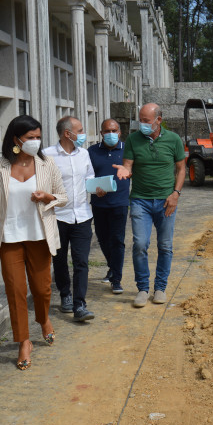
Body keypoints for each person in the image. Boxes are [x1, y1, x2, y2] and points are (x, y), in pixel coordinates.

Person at [0, 115, 68, 370]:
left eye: (38, 137)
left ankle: (43, 320)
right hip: (9, 239)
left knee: (41, 289)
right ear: (16, 139)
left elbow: (62, 197)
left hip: (39, 237)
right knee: (16, 291)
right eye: (30, 138)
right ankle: (24, 341)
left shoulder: (46, 163)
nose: (35, 142)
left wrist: (46, 196)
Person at [113, 103, 186, 308]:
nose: (142, 125)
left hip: (166, 201)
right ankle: (143, 289)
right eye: (140, 120)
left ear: (158, 120)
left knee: (165, 246)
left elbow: (181, 169)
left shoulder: (173, 140)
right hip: (140, 201)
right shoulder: (133, 140)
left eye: (146, 121)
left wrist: (176, 194)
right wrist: (124, 171)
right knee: (140, 244)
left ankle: (160, 288)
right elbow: (128, 165)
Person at [43, 116, 96, 322]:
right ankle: (65, 294)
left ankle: (80, 304)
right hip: (58, 216)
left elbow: (89, 177)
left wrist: (97, 187)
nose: (82, 134)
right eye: (80, 130)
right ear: (68, 133)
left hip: (82, 215)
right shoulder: (47, 155)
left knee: (81, 261)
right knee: (60, 259)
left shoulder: (83, 154)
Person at [88, 119, 130, 294]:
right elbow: (87, 175)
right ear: (101, 133)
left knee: (117, 240)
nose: (111, 134)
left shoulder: (127, 150)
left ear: (119, 132)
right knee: (103, 238)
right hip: (99, 203)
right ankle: (112, 267)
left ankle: (116, 279)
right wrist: (93, 188)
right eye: (107, 131)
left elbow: (134, 170)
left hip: (119, 203)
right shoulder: (92, 152)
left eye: (114, 130)